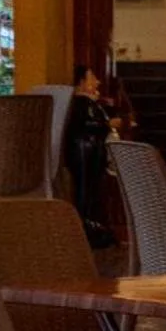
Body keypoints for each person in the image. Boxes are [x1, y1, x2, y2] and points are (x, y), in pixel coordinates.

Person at [64, 63, 118, 248]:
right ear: (81, 82)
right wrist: (108, 124)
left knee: (91, 192)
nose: (98, 82)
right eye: (92, 78)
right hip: (85, 155)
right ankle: (88, 229)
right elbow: (89, 125)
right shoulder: (82, 103)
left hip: (92, 156)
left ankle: (94, 228)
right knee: (86, 192)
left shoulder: (90, 103)